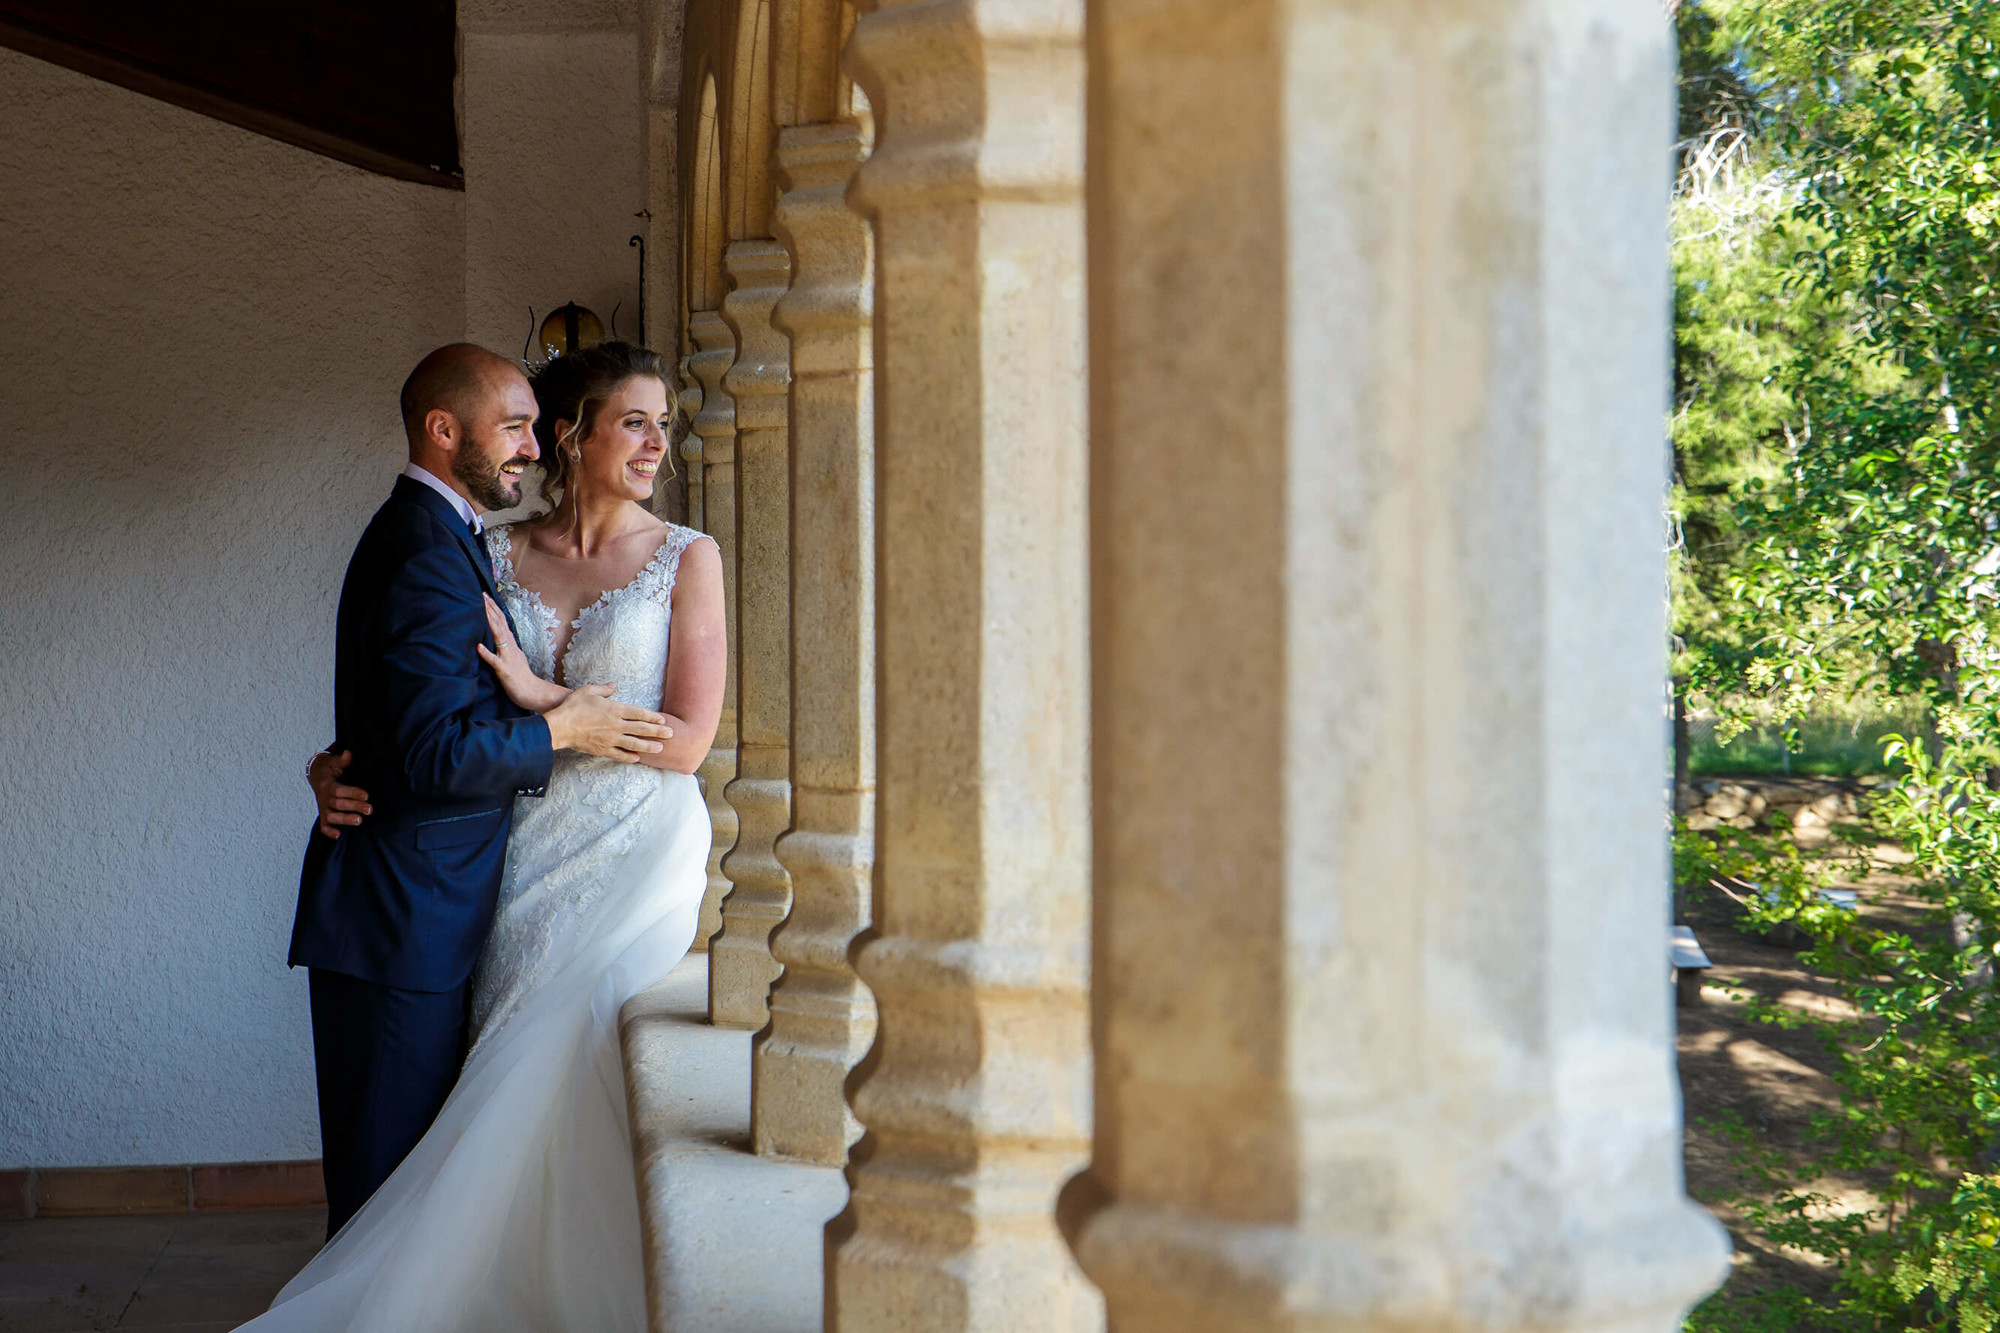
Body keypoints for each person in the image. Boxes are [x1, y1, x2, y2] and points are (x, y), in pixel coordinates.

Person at [251, 341, 724, 1330]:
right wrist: (343, 762)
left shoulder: (687, 555)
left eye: (662, 425)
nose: (654, 444)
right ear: (572, 432)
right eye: (633, 420)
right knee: (478, 1086)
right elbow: (415, 698)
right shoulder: (486, 549)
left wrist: (550, 700)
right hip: (502, 859)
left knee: (577, 1051)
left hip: (630, 847)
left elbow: (684, 744)